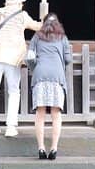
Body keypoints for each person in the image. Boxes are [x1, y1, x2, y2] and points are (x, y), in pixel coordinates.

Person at [0, 0, 41, 142]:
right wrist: (44, 19)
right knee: (14, 91)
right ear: (20, 3)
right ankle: (11, 126)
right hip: (14, 58)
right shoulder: (22, 16)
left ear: (6, 2)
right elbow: (38, 27)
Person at [27, 13, 72, 160]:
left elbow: (30, 57)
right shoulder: (62, 38)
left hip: (40, 75)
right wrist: (59, 65)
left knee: (40, 114)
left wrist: (35, 68)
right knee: (55, 114)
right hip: (56, 76)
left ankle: (40, 148)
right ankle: (53, 148)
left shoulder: (36, 37)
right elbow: (68, 59)